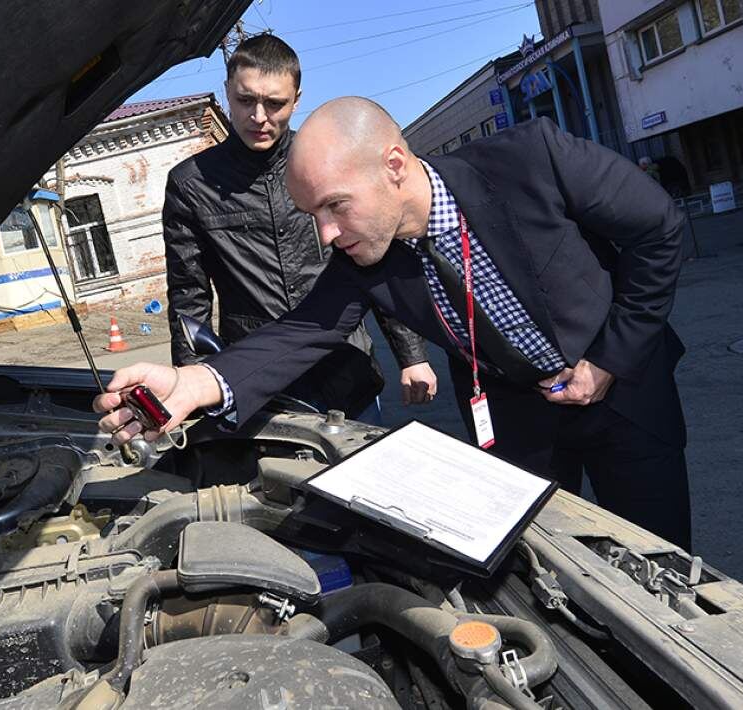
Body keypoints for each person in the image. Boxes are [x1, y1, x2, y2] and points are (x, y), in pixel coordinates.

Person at [97, 97, 692, 550]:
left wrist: (610, 359)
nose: (327, 233)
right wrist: (195, 383)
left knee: (656, 569)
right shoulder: (366, 255)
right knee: (545, 569)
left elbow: (658, 229)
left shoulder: (532, 158)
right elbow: (304, 330)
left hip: (628, 400)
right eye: (313, 215)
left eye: (335, 205)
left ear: (394, 165)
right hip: (518, 425)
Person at [162, 34, 435, 419]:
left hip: (346, 367)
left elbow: (376, 252)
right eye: (245, 100)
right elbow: (189, 295)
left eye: (275, 104)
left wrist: (411, 355)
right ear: (226, 91)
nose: (259, 117)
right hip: (260, 381)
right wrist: (190, 382)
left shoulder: (327, 164)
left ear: (297, 99)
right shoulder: (191, 185)